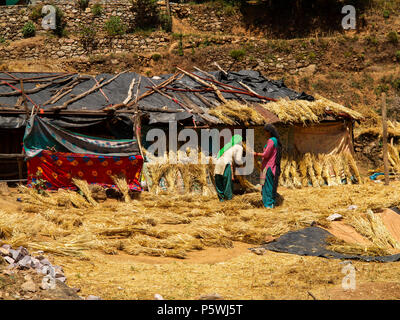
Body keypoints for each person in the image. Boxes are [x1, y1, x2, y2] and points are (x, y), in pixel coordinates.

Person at [253, 124, 282, 208]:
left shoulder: (271, 140)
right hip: (267, 167)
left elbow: (266, 155)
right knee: (265, 184)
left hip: (268, 167)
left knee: (267, 185)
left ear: (269, 132)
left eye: (265, 132)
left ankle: (269, 204)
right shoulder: (276, 140)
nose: (265, 134)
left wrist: (256, 154)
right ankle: (267, 202)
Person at [214, 134, 244, 201]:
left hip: (218, 163)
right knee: (227, 183)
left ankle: (221, 199)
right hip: (226, 164)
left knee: (219, 182)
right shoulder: (239, 147)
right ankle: (228, 199)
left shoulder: (227, 146)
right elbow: (238, 160)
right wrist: (242, 164)